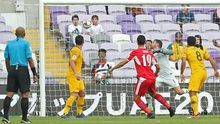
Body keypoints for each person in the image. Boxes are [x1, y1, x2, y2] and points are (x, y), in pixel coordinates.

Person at [109, 35, 175, 119]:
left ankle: (149, 113)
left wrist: (113, 68)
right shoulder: (150, 53)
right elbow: (158, 67)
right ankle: (169, 107)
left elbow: (123, 62)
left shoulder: (135, 52)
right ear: (144, 43)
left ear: (137, 42)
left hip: (143, 78)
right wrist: (155, 74)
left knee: (136, 98)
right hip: (152, 77)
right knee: (153, 94)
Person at [2, 27, 38, 123]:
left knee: (9, 94)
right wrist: (35, 73)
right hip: (22, 69)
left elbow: (6, 60)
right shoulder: (26, 43)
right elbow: (30, 59)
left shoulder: (9, 44)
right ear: (24, 34)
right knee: (25, 94)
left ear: (15, 34)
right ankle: (24, 119)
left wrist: (10, 71)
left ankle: (5, 117)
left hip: (12, 69)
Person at [180, 36, 219, 118]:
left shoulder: (186, 50)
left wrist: (182, 73)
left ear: (187, 43)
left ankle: (196, 114)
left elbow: (183, 62)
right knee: (195, 92)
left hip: (197, 73)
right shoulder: (200, 50)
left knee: (192, 92)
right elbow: (211, 59)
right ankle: (195, 112)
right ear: (195, 43)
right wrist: (215, 70)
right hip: (204, 73)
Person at [61, 35, 86, 118]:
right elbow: (72, 61)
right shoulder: (75, 50)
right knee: (74, 94)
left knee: (82, 93)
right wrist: (75, 73)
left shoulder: (78, 50)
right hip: (73, 75)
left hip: (78, 75)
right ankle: (65, 113)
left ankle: (79, 113)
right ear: (83, 42)